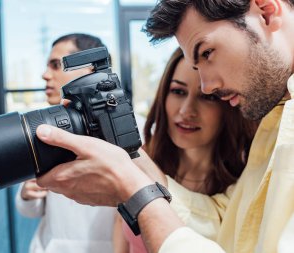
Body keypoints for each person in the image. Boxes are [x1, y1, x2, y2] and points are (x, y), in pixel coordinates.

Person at [33, 0, 294, 252]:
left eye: (207, 52)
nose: (207, 86)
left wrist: (137, 194)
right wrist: (147, 176)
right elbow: (231, 222)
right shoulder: (278, 116)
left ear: (266, 12)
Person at [113, 47, 257, 253]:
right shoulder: (144, 158)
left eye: (208, 97)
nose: (186, 111)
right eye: (178, 92)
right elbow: (120, 224)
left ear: (229, 104)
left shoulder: (245, 182)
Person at [15, 33, 116, 253]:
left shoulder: (136, 132)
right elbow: (29, 210)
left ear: (90, 69)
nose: (44, 75)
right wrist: (27, 193)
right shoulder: (44, 129)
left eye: (55, 65)